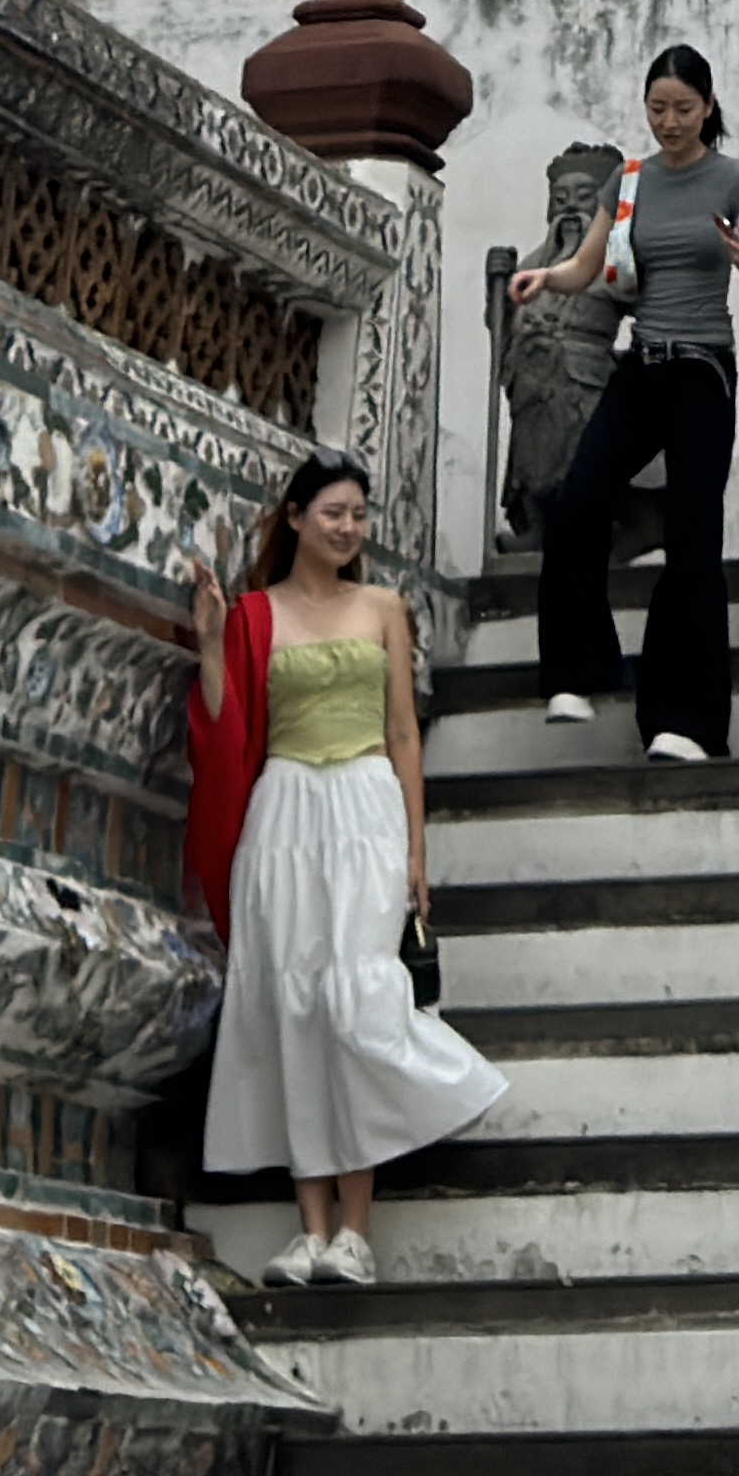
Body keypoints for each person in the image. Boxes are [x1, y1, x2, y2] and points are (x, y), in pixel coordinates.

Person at [195, 449, 506, 1282]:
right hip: (285, 810)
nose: (348, 528)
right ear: (294, 517)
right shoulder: (256, 614)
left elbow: (404, 731)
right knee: (293, 1007)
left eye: (358, 516)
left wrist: (416, 846)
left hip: (366, 803)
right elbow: (226, 730)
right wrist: (208, 640)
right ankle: (312, 1228)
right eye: (333, 513)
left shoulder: (383, 607)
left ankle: (358, 1230)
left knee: (352, 999)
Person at [506, 42, 739, 760]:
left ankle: (681, 722)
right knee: (577, 499)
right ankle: (575, 671)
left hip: (702, 375)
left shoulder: (732, 179)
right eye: (657, 109)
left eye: (683, 109)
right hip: (641, 368)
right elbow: (589, 263)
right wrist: (547, 281)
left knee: (691, 542)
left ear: (708, 108)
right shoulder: (629, 181)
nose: (669, 122)